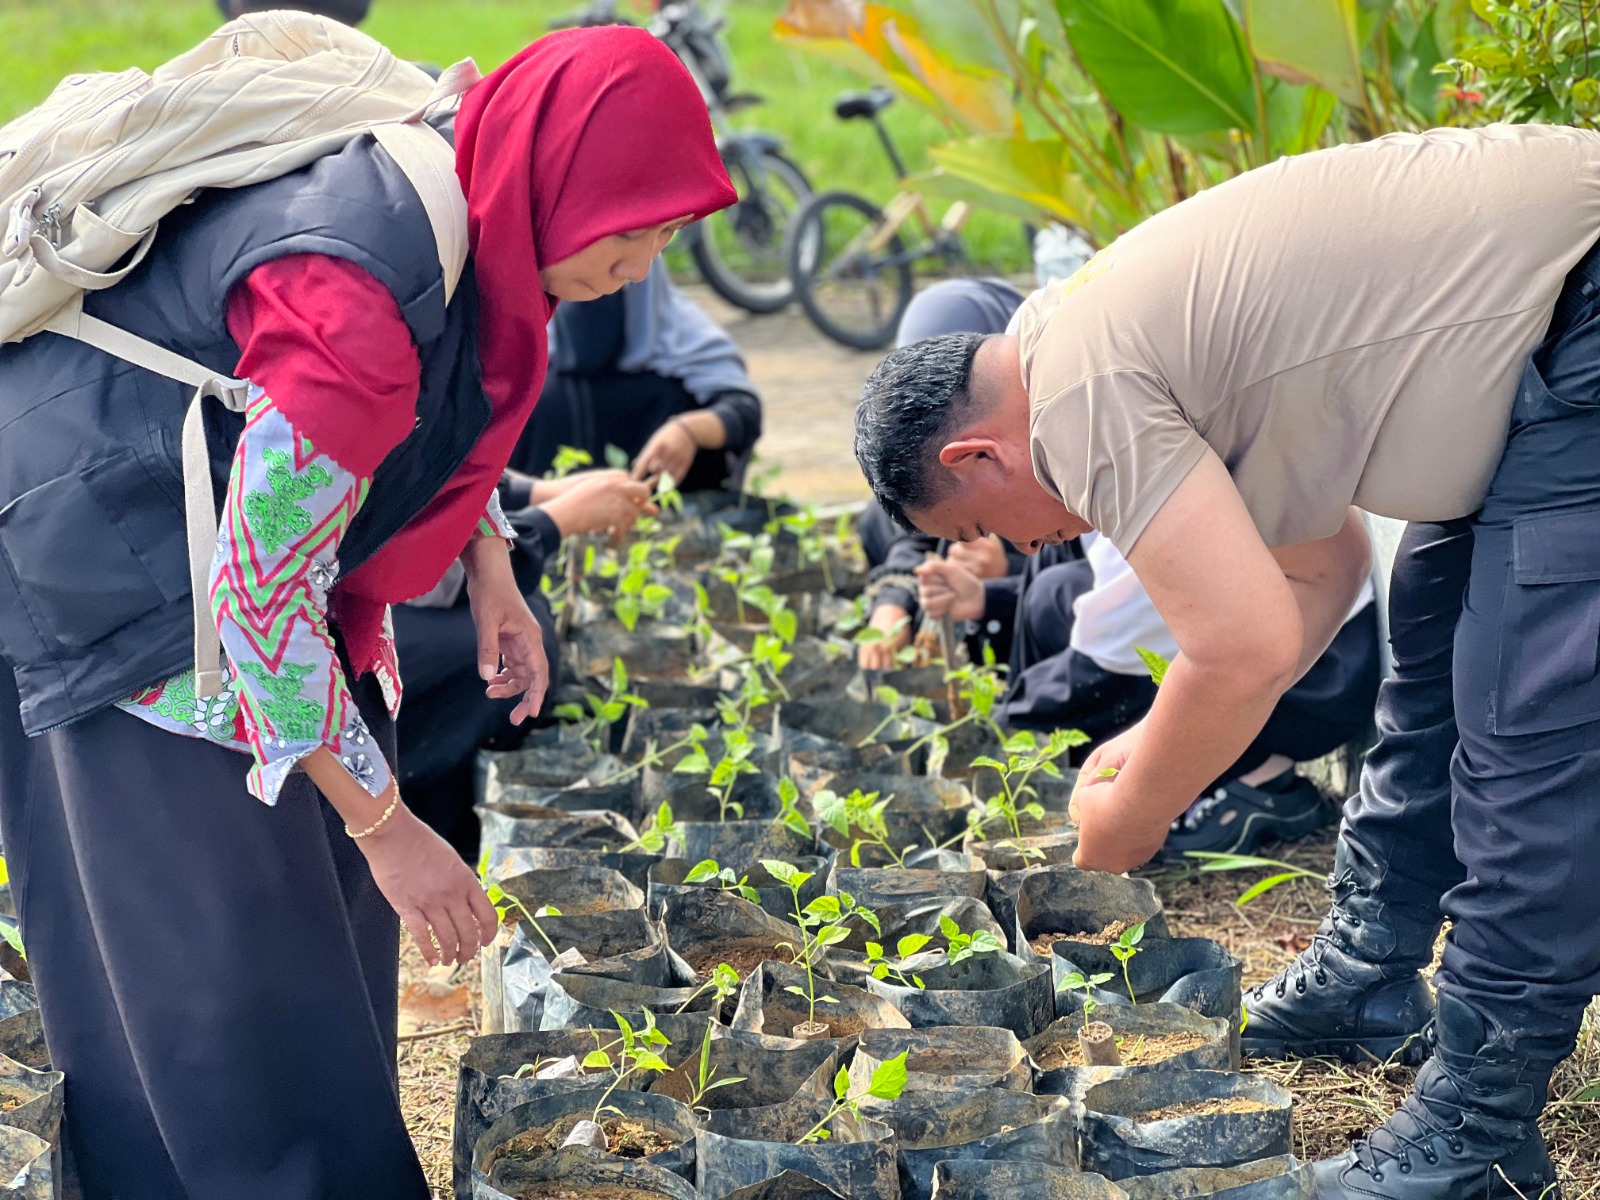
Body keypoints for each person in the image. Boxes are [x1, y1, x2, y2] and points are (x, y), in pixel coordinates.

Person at [0, 26, 735, 1200]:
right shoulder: (350, 300)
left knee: (299, 958)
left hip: (191, 543)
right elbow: (257, 603)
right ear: (552, 175)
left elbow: (428, 420)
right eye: (633, 227)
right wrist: (391, 831)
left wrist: (489, 561)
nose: (643, 264)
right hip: (111, 570)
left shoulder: (464, 178)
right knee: (223, 996)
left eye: (669, 234)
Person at [853, 124, 1600, 1198]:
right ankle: (1365, 979)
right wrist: (1158, 735)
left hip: (1578, 313)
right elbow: (1316, 577)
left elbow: (1243, 647)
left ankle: (1480, 1128)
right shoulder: (1081, 337)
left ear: (975, 454)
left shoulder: (1073, 391)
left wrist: (1132, 817)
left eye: (1006, 527)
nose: (1034, 549)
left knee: (1526, 734)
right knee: (1433, 657)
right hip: (1539, 342)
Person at [859, 279, 1380, 856]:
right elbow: (1336, 562)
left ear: (975, 451)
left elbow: (1223, 647)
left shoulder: (1086, 409)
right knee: (1056, 596)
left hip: (1328, 668)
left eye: (983, 525)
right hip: (1317, 623)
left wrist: (1136, 810)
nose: (1021, 546)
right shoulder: (1058, 346)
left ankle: (1255, 785)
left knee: (1085, 672)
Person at [394, 466, 657, 855]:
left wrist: (536, 492)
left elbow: (442, 469)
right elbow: (414, 562)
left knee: (523, 619)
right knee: (500, 644)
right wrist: (555, 519)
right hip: (311, 643)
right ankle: (424, 817)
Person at [510, 257, 763, 493]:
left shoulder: (677, 337)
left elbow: (744, 412)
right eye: (580, 289)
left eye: (608, 288)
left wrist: (688, 430)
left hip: (671, 526)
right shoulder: (525, 369)